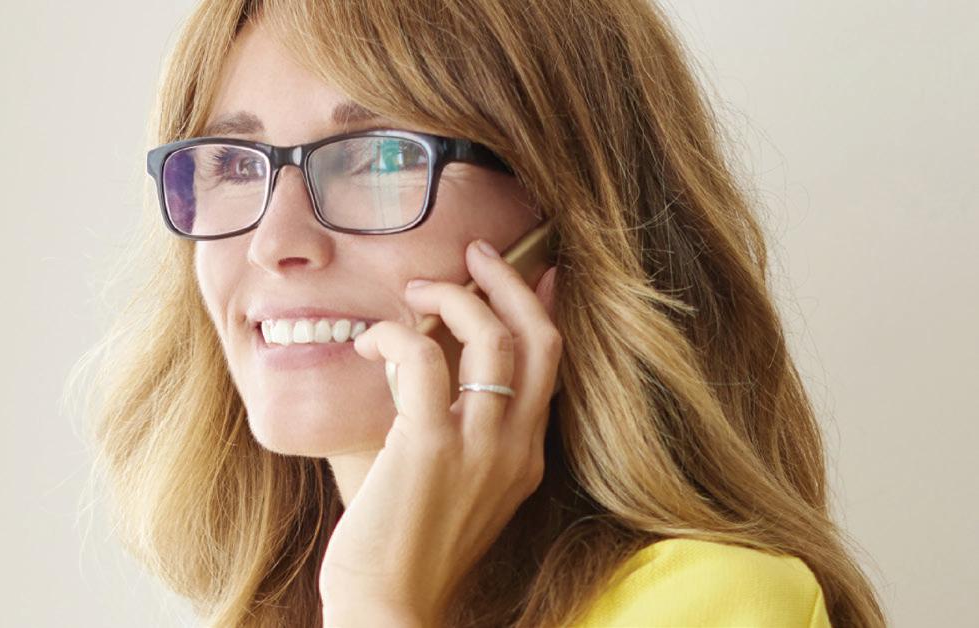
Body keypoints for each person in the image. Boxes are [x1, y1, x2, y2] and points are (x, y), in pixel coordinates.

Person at [80, 0, 884, 625]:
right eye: (231, 165)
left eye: (380, 157)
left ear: (560, 223)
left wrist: (375, 601)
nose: (275, 242)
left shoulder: (718, 602)